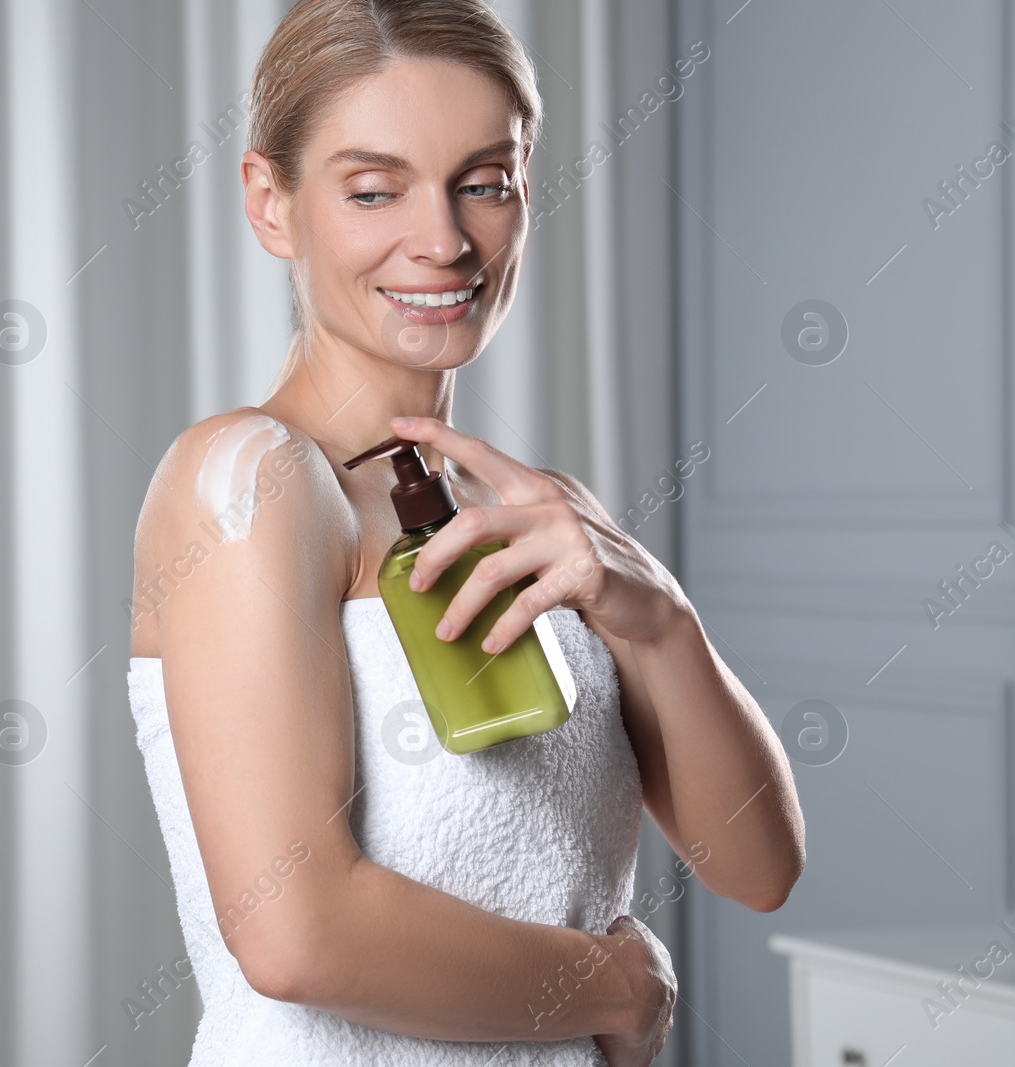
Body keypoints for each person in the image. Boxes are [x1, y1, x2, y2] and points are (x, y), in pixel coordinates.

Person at [125, 1, 806, 1063]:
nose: (442, 240)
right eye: (373, 188)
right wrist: (619, 988)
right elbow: (295, 930)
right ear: (271, 202)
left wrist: (658, 620)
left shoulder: (539, 520)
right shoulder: (251, 480)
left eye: (483, 182)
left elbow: (756, 864)